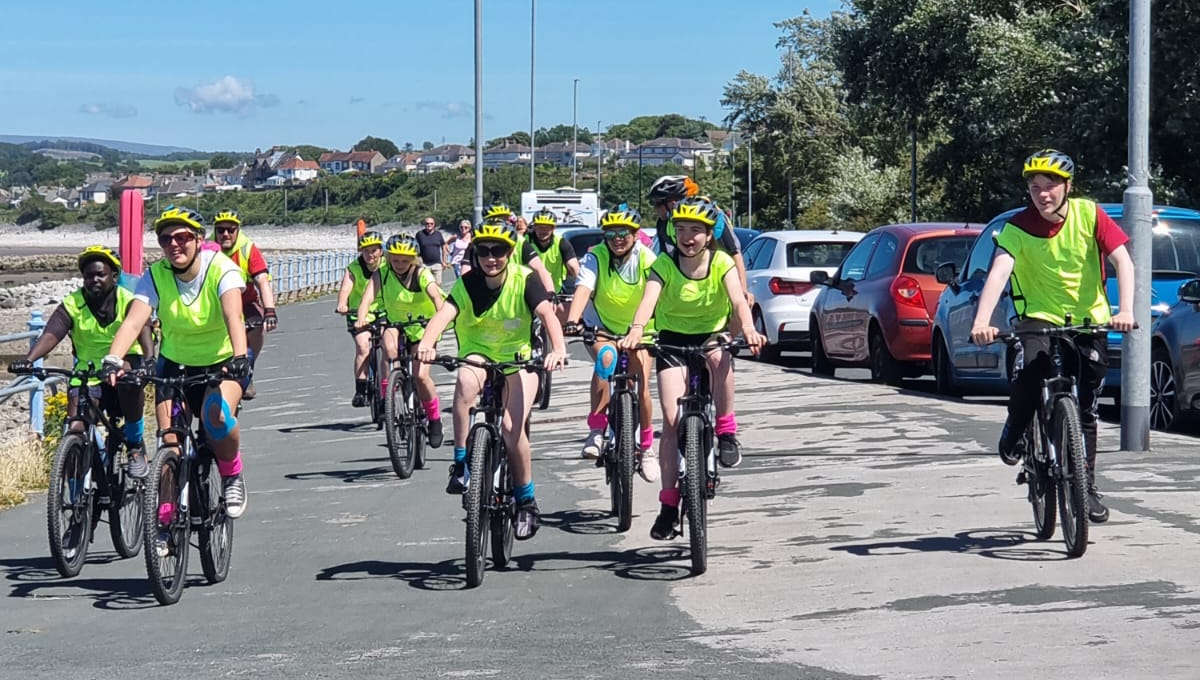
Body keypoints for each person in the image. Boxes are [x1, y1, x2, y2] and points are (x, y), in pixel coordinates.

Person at [970, 149, 1135, 524]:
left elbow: (1123, 260)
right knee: (1031, 374)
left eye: (1050, 186)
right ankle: (1015, 429)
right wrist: (982, 320)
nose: (1042, 194)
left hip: (1088, 321)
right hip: (1037, 319)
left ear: (1067, 187)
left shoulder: (1089, 214)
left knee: (1088, 406)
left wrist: (1124, 310)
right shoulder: (1017, 227)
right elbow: (998, 273)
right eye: (1034, 187)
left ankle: (1086, 487)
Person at [619, 197, 764, 540]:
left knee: (719, 356)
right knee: (671, 423)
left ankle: (727, 430)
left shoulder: (722, 262)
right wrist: (637, 330)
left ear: (709, 234)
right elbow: (648, 300)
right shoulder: (665, 264)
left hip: (710, 335)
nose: (688, 237)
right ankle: (669, 504)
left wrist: (748, 329)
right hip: (671, 340)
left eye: (696, 230)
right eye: (681, 229)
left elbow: (738, 301)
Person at [416, 219, 568, 540]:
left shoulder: (524, 279)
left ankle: (526, 500)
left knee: (513, 431)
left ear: (510, 252)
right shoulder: (467, 283)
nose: (491, 257)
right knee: (465, 384)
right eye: (483, 250)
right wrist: (427, 344)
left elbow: (546, 315)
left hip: (518, 357)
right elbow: (443, 316)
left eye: (498, 250)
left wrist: (558, 348)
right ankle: (460, 464)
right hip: (479, 351)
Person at [104, 206, 252, 520]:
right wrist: (113, 359)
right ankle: (166, 515)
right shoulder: (155, 276)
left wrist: (241, 357)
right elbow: (133, 323)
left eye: (182, 237)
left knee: (216, 419)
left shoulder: (221, 268)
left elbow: (233, 317)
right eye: (165, 238)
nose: (174, 244)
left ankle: (231, 475)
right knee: (169, 441)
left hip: (221, 363)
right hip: (174, 365)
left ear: (199, 239)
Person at [11, 246, 153, 476]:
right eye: (88, 275)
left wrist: (148, 359)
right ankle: (76, 494)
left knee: (129, 381)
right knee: (75, 427)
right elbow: (52, 333)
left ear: (114, 276)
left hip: (123, 366)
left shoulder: (128, 300)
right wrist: (29, 360)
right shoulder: (73, 303)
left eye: (100, 274)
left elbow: (143, 328)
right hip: (88, 373)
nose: (94, 279)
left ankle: (135, 446)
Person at [564, 208, 658, 481]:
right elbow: (583, 289)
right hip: (603, 325)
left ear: (634, 235)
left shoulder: (646, 258)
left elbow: (656, 292)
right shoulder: (596, 256)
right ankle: (596, 430)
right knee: (606, 359)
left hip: (640, 328)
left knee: (641, 380)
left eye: (624, 233)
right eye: (612, 233)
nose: (618, 239)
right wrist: (572, 319)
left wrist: (644, 328)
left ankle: (647, 447)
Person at [356, 233, 446, 447]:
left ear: (413, 260)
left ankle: (434, 419)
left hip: (423, 325)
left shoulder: (422, 274)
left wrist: (440, 318)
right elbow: (368, 298)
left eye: (404, 261)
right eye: (394, 259)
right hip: (395, 321)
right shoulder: (382, 273)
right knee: (389, 349)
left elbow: (436, 296)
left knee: (421, 375)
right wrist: (361, 317)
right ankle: (389, 394)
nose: (399, 264)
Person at [648, 175, 753, 309]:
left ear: (672, 202)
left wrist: (742, 289)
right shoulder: (663, 224)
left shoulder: (712, 215)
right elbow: (664, 260)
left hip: (719, 280)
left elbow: (735, 253)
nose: (655, 209)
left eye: (657, 203)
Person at [211, 210, 276, 401]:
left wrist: (270, 311)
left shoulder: (247, 248)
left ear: (237, 230)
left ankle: (249, 365)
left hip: (246, 301)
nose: (225, 235)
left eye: (230, 230)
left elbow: (262, 281)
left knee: (256, 327)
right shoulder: (207, 249)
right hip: (216, 304)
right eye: (221, 230)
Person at [335, 231, 385, 407]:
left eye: (373, 250)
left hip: (384, 311)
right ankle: (361, 390)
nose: (369, 255)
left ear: (381, 250)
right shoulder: (354, 268)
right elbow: (345, 289)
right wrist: (342, 304)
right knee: (363, 347)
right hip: (358, 313)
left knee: (389, 344)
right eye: (365, 251)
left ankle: (391, 382)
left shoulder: (388, 265)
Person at [525, 209, 581, 296]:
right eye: (540, 227)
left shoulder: (561, 243)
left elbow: (574, 267)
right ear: (534, 227)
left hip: (554, 293)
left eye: (547, 227)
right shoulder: (525, 241)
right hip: (528, 292)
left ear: (553, 228)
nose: (543, 231)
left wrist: (582, 289)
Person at [415, 216, 449, 287]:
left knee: (438, 284)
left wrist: (444, 261)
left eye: (431, 223)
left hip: (437, 264)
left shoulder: (438, 234)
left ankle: (438, 297)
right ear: (424, 224)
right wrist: (417, 261)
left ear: (434, 225)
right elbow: (415, 248)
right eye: (427, 223)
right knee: (425, 284)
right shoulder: (419, 234)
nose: (429, 225)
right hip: (424, 264)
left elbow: (444, 247)